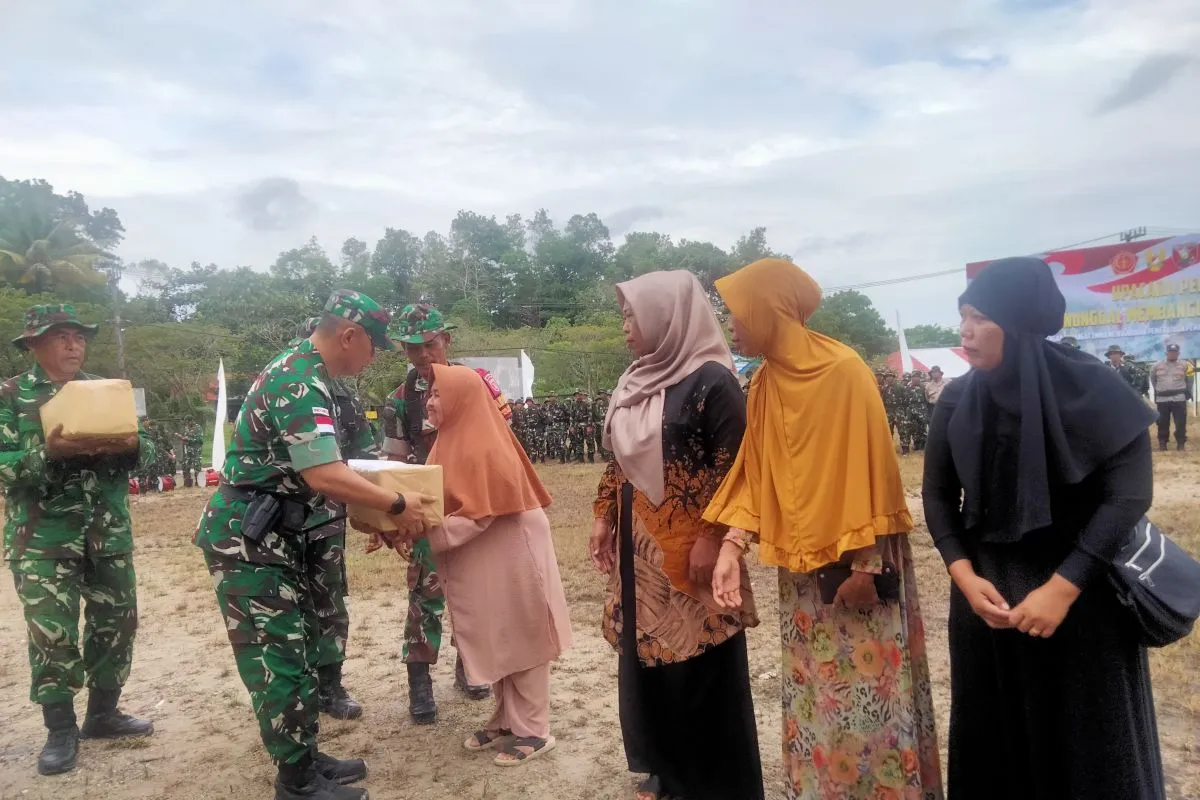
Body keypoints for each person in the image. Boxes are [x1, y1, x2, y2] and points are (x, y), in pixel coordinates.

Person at [922, 256, 1164, 800]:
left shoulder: (1094, 387)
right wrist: (964, 577)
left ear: (1018, 321)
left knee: (1091, 752)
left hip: (1082, 601)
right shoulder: (958, 398)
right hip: (987, 605)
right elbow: (937, 495)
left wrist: (1063, 587)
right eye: (962, 315)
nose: (965, 330)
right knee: (995, 749)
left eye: (980, 317)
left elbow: (1129, 496)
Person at [705, 259, 943, 800]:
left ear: (768, 309)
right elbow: (755, 473)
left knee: (872, 704)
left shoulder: (844, 371)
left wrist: (866, 567)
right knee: (818, 696)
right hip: (802, 572)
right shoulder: (764, 383)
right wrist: (730, 547)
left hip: (860, 567)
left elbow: (874, 471)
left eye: (737, 313)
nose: (731, 328)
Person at [194, 290, 438, 800]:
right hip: (251, 542)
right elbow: (325, 473)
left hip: (282, 534)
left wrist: (376, 517)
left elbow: (332, 471)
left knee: (301, 649)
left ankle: (305, 756)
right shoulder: (298, 382)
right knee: (279, 658)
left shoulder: (309, 375)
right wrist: (396, 505)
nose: (373, 358)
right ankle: (296, 782)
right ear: (349, 336)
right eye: (373, 346)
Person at [590, 271, 763, 800]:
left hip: (693, 551)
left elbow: (737, 470)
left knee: (698, 665)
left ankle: (711, 782)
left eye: (632, 314)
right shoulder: (636, 380)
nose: (625, 325)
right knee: (649, 659)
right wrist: (603, 515)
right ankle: (667, 770)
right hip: (640, 549)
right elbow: (620, 461)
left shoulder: (713, 381)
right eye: (624, 315)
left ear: (666, 315)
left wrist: (713, 537)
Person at [1, 304, 155, 777]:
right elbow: (4, 465)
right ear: (33, 344)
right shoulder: (10, 396)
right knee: (53, 635)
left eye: (79, 337)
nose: (73, 345)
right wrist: (48, 452)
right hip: (43, 538)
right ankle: (60, 728)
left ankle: (103, 714)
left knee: (117, 625)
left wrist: (129, 444)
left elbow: (147, 449)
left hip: (107, 533)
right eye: (61, 336)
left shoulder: (105, 392)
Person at [419, 363, 572, 766]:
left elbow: (479, 515)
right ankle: (506, 719)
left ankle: (534, 730)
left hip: (513, 549)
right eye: (430, 394)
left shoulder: (484, 444)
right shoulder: (448, 440)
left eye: (438, 394)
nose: (430, 401)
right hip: (487, 550)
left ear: (462, 399)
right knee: (498, 632)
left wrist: (420, 532)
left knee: (523, 633)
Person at [379, 303, 506, 722]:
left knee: (476, 592)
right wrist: (390, 517)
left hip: (474, 504)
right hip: (426, 510)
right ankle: (419, 682)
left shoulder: (478, 384)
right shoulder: (400, 400)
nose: (421, 355)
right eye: (411, 348)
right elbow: (394, 464)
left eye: (429, 344)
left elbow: (502, 441)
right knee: (425, 595)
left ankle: (469, 667)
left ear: (447, 340)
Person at [288, 316, 376, 721]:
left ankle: (330, 685)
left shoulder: (343, 399)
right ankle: (297, 687)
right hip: (280, 523)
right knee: (288, 606)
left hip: (326, 519)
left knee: (329, 602)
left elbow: (365, 458)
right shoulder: (291, 386)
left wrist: (373, 512)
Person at [1151, 343, 1189, 451]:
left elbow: (1189, 380)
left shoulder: (1185, 365)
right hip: (1162, 399)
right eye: (1170, 352)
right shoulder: (1156, 366)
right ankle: (1163, 444)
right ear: (1166, 353)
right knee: (1162, 423)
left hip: (1179, 398)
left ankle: (1180, 444)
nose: (1172, 354)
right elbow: (1153, 379)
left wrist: (1185, 391)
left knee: (1180, 423)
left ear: (1178, 353)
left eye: (1175, 352)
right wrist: (1160, 390)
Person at [175, 420, 205, 487]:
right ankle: (188, 482)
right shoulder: (187, 428)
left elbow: (199, 439)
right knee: (186, 466)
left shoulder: (198, 428)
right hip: (188, 451)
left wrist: (188, 439)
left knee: (197, 466)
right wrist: (182, 438)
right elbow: (186, 438)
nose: (187, 424)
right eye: (186, 423)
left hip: (196, 450)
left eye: (188, 422)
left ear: (191, 421)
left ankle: (198, 482)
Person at [568, 390, 593, 463]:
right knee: (579, 442)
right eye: (576, 395)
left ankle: (591, 458)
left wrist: (589, 426)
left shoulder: (587, 403)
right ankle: (580, 459)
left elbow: (590, 415)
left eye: (579, 395)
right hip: (577, 425)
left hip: (586, 424)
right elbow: (571, 416)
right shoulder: (573, 404)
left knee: (589, 442)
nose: (578, 397)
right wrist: (571, 426)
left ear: (582, 395)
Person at [591, 390, 611, 461]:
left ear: (606, 394)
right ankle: (605, 455)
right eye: (600, 394)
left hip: (610, 423)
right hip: (602, 424)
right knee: (603, 439)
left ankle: (612, 455)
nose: (601, 396)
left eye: (602, 394)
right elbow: (600, 415)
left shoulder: (611, 402)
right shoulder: (600, 404)